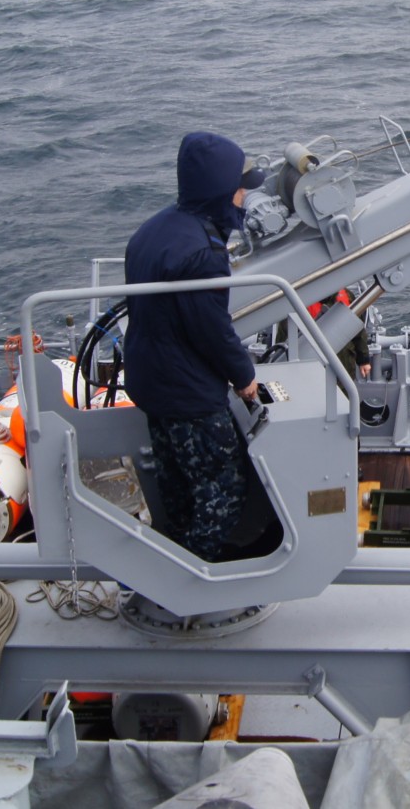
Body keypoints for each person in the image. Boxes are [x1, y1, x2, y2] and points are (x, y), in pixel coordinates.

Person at [122, 132, 265, 562]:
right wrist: (244, 376)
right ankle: (196, 570)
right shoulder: (204, 253)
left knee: (176, 480)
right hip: (187, 392)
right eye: (240, 190)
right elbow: (211, 329)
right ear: (221, 192)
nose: (244, 198)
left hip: (151, 380)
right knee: (224, 486)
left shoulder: (155, 228)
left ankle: (177, 549)